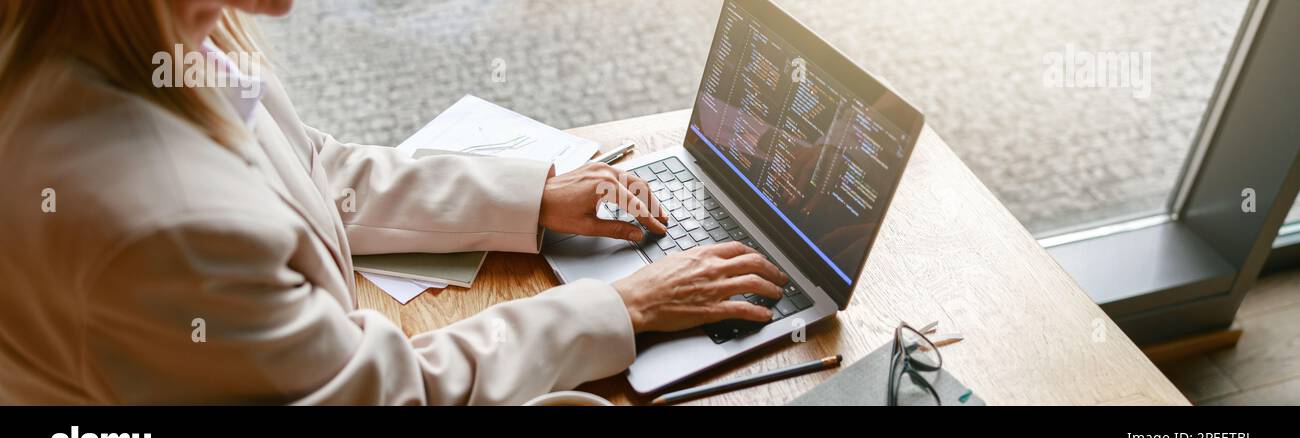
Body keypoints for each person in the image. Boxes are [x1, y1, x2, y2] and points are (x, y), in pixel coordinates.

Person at [0, 0, 787, 404]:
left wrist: (533, 197)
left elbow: (314, 169)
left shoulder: (164, 41)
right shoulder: (166, 222)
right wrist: (623, 309)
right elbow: (386, 395)